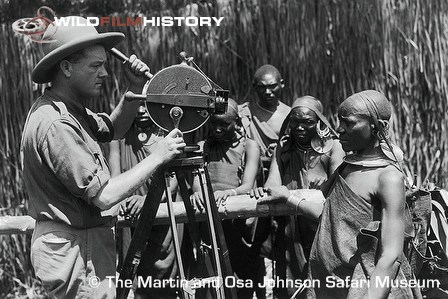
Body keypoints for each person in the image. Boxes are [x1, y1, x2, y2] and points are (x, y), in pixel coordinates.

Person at [20, 17, 185, 298]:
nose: (105, 74)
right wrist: (159, 155)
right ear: (66, 67)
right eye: (95, 66)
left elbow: (113, 129)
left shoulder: (70, 110)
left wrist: (133, 90)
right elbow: (105, 196)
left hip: (82, 245)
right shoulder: (57, 123)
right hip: (74, 251)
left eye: (104, 65)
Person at [304, 90, 421, 298]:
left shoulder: (387, 178)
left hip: (366, 288)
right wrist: (289, 199)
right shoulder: (347, 167)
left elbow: (391, 257)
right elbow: (333, 218)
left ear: (377, 127)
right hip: (332, 283)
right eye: (340, 122)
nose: (339, 130)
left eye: (349, 124)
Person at [251, 96, 345, 298]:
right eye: (295, 121)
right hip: (290, 226)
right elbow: (272, 184)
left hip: (321, 224)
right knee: (290, 283)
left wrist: (324, 186)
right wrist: (268, 190)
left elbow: (338, 183)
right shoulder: (284, 147)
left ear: (319, 122)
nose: (300, 127)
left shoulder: (333, 148)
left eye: (307, 122)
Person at [108, 101, 184, 299]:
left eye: (145, 105)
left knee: (165, 286)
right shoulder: (119, 137)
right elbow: (114, 177)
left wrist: (147, 200)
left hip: (163, 214)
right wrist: (126, 198)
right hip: (131, 214)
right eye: (136, 106)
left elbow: (173, 182)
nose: (141, 111)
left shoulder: (170, 135)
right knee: (135, 280)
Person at [190, 99, 263, 298]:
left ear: (236, 121)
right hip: (209, 218)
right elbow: (196, 179)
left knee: (240, 273)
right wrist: (197, 192)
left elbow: (247, 185)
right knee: (210, 270)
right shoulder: (202, 146)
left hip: (237, 219)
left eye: (224, 124)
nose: (218, 129)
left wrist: (230, 193)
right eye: (214, 123)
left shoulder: (249, 146)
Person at [238, 64, 291, 180]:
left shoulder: (290, 115)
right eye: (262, 87)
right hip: (250, 176)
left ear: (281, 84)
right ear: (254, 87)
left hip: (282, 175)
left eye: (272, 86)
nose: (267, 92)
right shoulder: (243, 113)